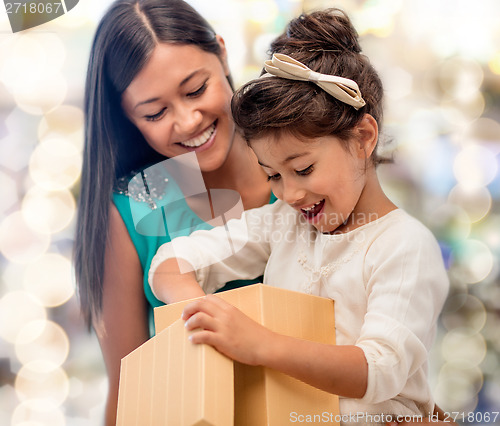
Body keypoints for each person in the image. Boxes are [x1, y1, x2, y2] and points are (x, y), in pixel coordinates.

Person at [149, 8, 451, 425]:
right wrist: (201, 313)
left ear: (363, 137)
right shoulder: (282, 224)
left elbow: (379, 370)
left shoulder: (403, 245)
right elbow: (170, 263)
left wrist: (260, 344)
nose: (290, 194)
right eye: (272, 175)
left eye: (304, 169)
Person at [73, 1, 272, 424]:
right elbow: (128, 395)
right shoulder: (136, 207)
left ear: (221, 53)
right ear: (129, 118)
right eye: (155, 112)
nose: (187, 121)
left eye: (196, 90)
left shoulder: (301, 162)